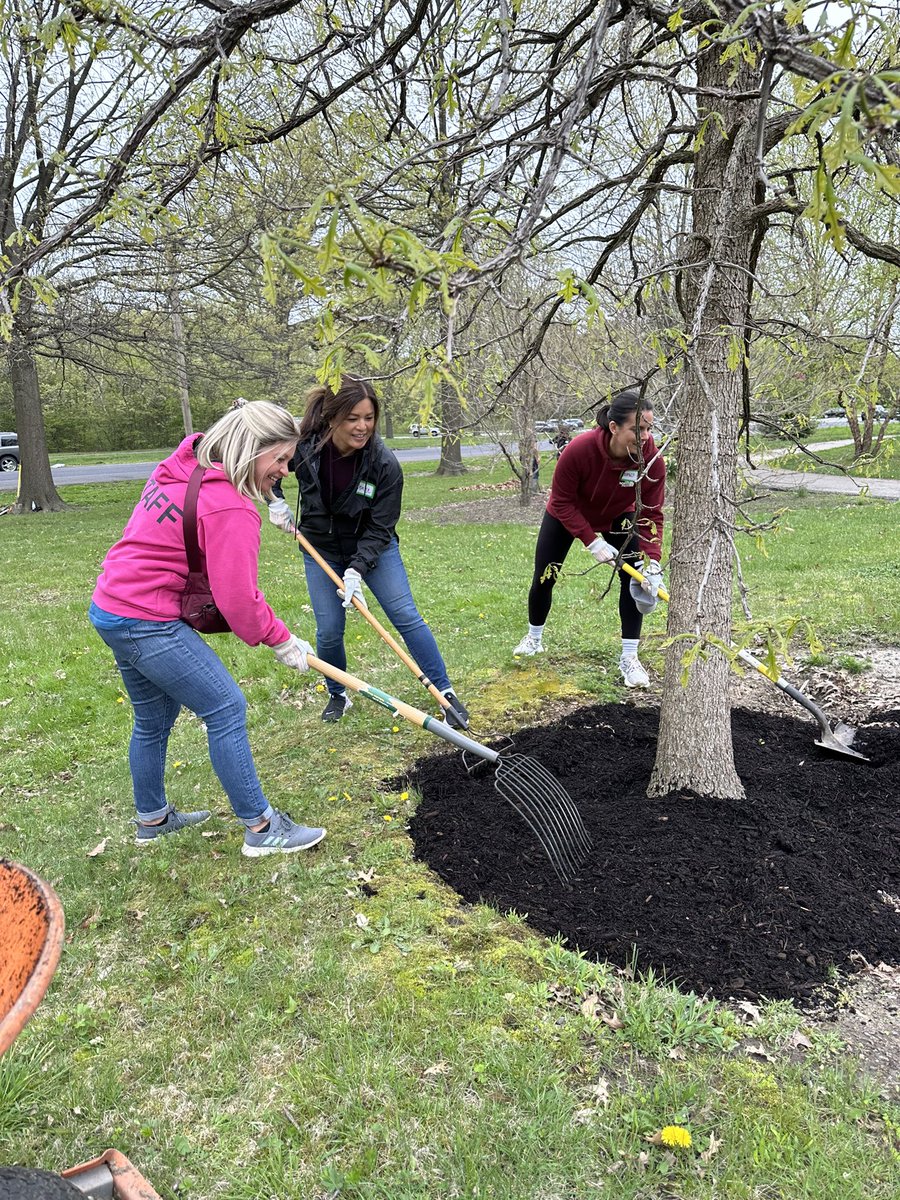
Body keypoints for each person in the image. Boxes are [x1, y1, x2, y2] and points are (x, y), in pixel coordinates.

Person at [89, 401, 326, 857]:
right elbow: (238, 601)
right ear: (246, 448)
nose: (285, 470)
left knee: (154, 718)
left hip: (112, 604)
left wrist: (271, 497)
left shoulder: (184, 463)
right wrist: (282, 640)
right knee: (225, 707)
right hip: (145, 619)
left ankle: (152, 820)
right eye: (278, 459)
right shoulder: (229, 509)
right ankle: (261, 828)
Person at [268, 376, 469, 726]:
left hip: (374, 549)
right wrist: (276, 501)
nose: (363, 427)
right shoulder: (305, 447)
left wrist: (357, 569)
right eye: (353, 418)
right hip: (321, 549)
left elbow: (381, 527)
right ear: (332, 418)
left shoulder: (384, 464)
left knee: (405, 616)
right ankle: (337, 694)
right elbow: (269, 468)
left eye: (369, 417)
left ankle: (444, 692)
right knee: (329, 629)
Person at [512, 388, 666, 688]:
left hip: (620, 514)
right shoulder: (579, 450)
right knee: (545, 576)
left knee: (635, 582)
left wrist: (653, 560)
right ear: (614, 427)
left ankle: (630, 657)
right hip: (567, 514)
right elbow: (560, 502)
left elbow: (652, 512)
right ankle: (534, 638)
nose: (645, 436)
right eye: (638, 429)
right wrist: (591, 541)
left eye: (648, 429)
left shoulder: (651, 460)